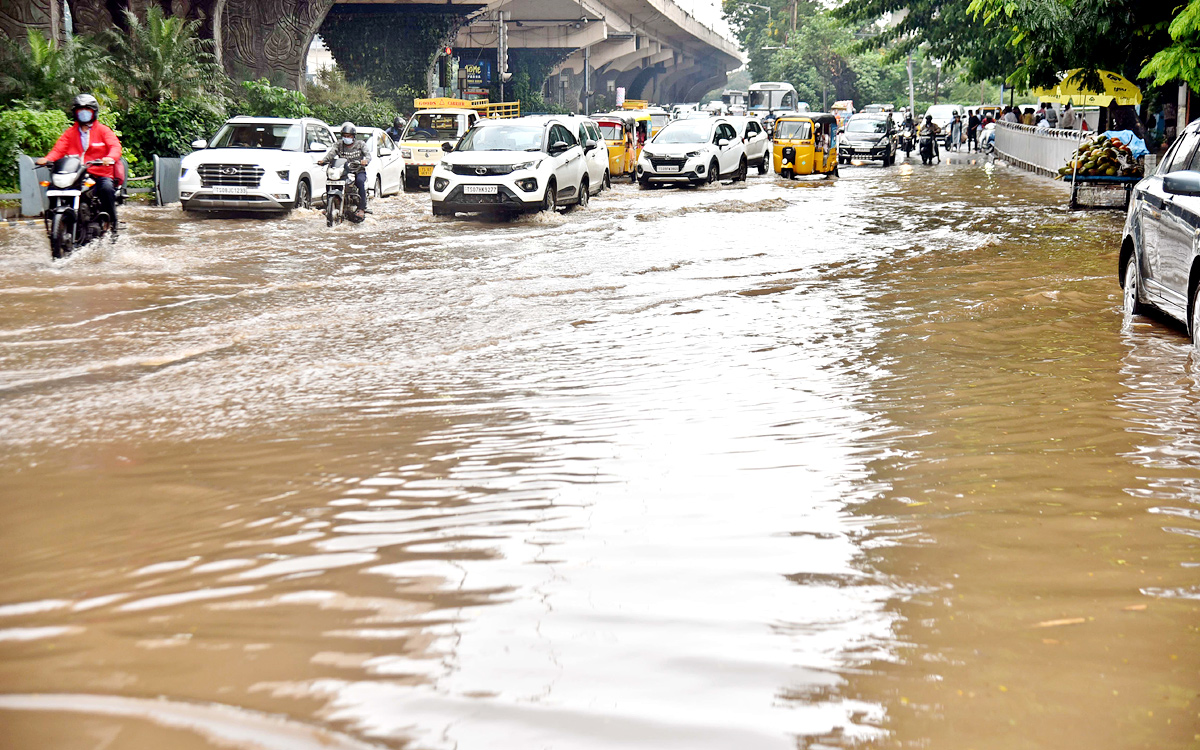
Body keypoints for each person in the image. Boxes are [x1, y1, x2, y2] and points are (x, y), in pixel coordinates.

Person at [38, 93, 122, 237]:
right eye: (80, 111)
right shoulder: (70, 133)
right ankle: (57, 224)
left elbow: (115, 147)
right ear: (75, 113)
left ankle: (113, 223)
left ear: (93, 113)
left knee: (107, 189)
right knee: (53, 188)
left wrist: (109, 157)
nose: (83, 114)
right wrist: (47, 159)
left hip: (99, 172)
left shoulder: (103, 130)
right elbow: (59, 149)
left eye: (87, 111)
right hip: (76, 173)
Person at [318, 122, 371, 219]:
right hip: (343, 170)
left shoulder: (360, 144)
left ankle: (362, 208)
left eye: (349, 136)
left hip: (358, 170)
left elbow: (368, 155)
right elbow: (331, 154)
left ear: (353, 136)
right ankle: (329, 205)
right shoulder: (339, 144)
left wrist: (365, 161)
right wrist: (323, 161)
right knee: (331, 180)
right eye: (345, 136)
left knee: (360, 182)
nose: (347, 138)